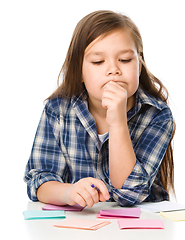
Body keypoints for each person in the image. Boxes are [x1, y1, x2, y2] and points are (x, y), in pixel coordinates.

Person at [24, 10, 175, 208]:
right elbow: (39, 180)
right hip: (79, 225)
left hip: (140, 226)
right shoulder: (58, 110)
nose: (113, 70)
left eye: (125, 60)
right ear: (79, 71)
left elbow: (129, 193)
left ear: (139, 66)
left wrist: (118, 121)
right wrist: (67, 192)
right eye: (98, 62)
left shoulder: (157, 115)